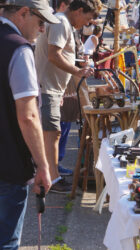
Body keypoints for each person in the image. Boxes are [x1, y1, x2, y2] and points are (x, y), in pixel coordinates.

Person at [0, 0, 59, 247]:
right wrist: (43, 165)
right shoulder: (18, 48)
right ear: (24, 13)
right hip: (8, 165)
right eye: (41, 22)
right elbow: (28, 115)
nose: (43, 29)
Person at [35, 0, 100, 193]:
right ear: (79, 11)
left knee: (52, 133)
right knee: (51, 133)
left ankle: (51, 174)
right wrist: (77, 71)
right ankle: (52, 179)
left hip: (52, 87)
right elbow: (53, 55)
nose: (86, 24)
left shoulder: (61, 22)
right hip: (48, 88)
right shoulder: (61, 22)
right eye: (87, 19)